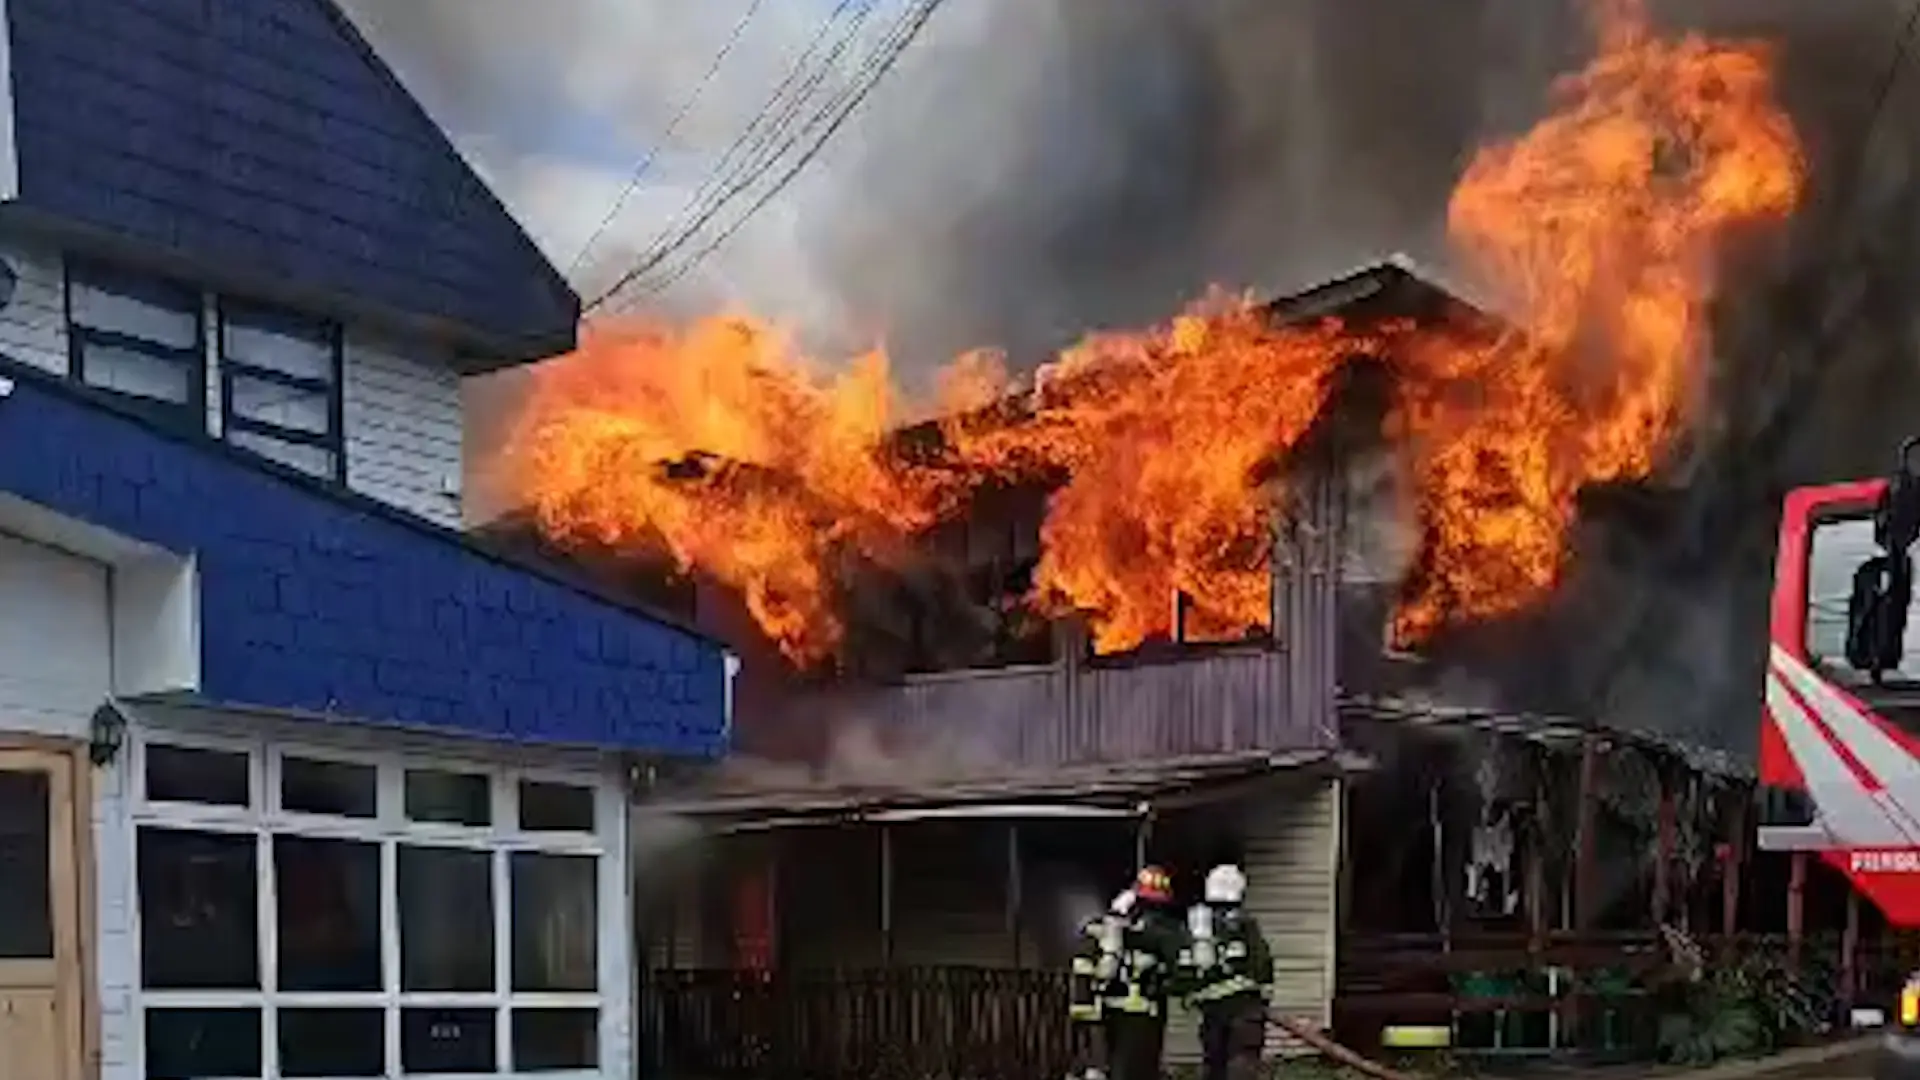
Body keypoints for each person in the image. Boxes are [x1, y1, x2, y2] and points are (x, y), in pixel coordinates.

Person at [1179, 864, 1274, 1080]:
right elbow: (1263, 963)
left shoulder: (1197, 926)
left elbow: (1185, 969)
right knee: (1242, 1066)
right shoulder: (1246, 924)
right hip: (1245, 1012)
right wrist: (1263, 999)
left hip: (1212, 1014)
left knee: (1214, 1067)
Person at [1094, 866, 1185, 1080]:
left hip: (1111, 1010)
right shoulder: (1165, 932)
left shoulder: (1116, 927)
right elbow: (1178, 967)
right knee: (1139, 1069)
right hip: (1144, 1013)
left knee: (1117, 1066)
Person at [1067, 901, 1111, 1080]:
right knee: (1095, 1053)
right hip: (1095, 1009)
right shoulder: (1095, 945)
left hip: (1086, 1008)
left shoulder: (1084, 945)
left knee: (1084, 1051)